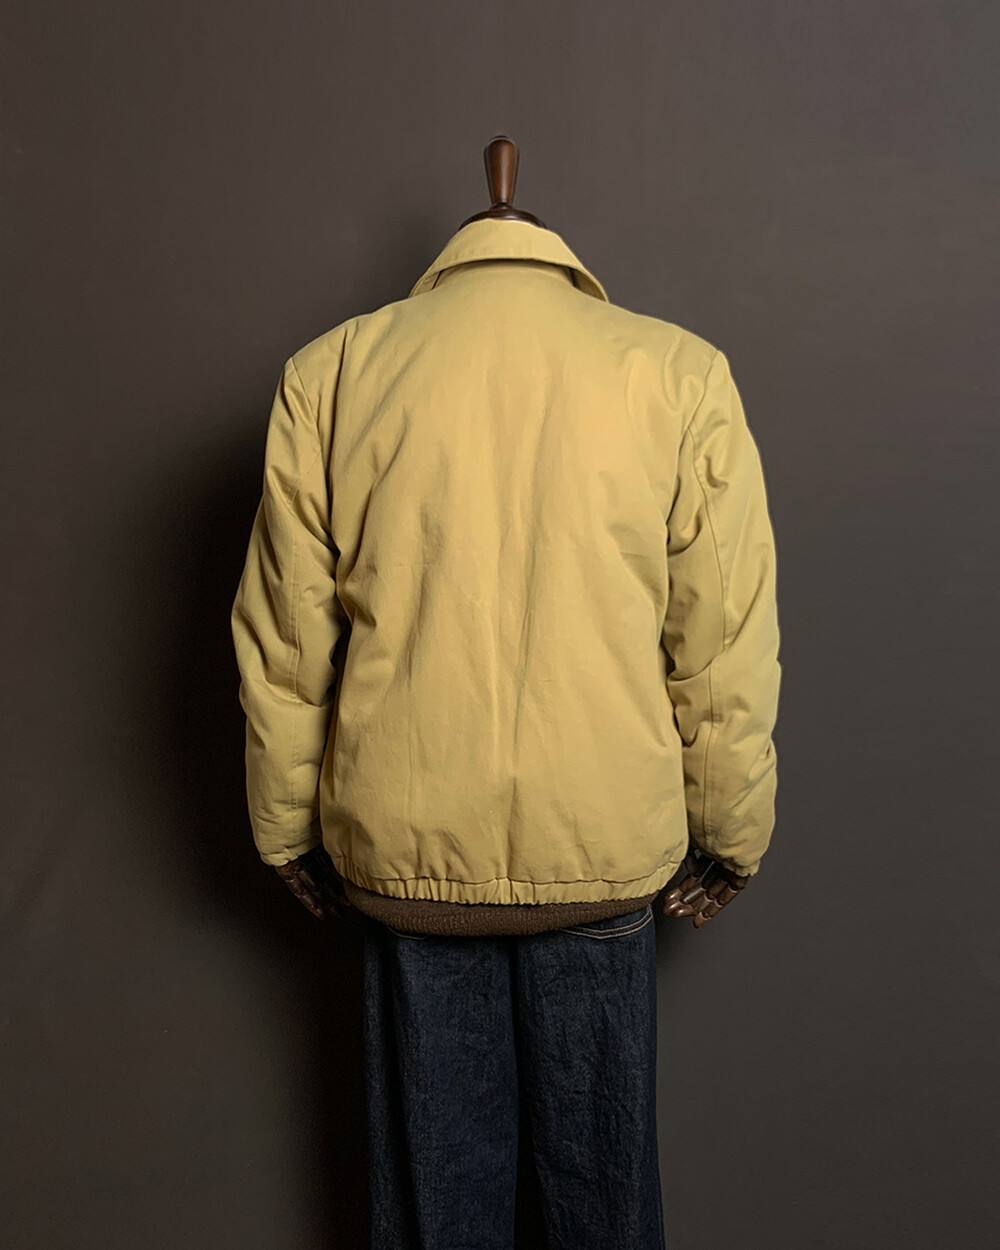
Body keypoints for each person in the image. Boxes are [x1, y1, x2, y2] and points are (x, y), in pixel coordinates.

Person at [230, 212, 781, 1249]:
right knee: (605, 1203)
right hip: (603, 840)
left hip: (406, 846)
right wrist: (729, 828)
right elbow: (722, 639)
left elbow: (286, 641)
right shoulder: (676, 372)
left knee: (436, 1208)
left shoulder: (336, 372)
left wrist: (285, 824)